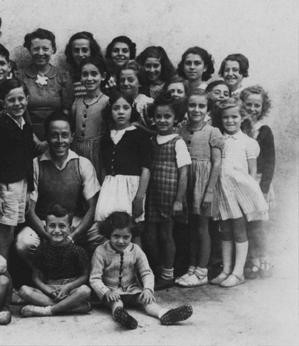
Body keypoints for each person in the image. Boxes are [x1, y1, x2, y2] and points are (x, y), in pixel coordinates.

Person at [15, 110, 104, 258]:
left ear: (72, 137)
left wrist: (73, 236)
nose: (60, 140)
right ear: (47, 137)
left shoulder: (82, 164)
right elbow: (29, 211)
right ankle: (40, 276)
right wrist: (47, 235)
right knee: (23, 243)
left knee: (102, 236)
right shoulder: (35, 165)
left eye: (64, 135)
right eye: (54, 135)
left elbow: (92, 207)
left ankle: (87, 273)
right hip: (44, 224)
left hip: (73, 222)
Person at [91, 212, 193, 329]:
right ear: (109, 234)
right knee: (116, 302)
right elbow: (94, 278)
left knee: (147, 301)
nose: (121, 241)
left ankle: (164, 314)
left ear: (132, 236)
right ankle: (122, 316)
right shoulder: (101, 251)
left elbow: (146, 272)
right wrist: (106, 292)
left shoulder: (136, 250)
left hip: (132, 290)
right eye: (116, 236)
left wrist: (148, 289)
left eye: (126, 237)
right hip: (111, 291)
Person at [210, 99, 268, 287]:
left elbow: (252, 173)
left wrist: (250, 199)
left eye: (234, 116)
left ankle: (238, 272)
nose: (230, 121)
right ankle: (226, 269)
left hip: (240, 193)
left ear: (242, 118)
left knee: (239, 229)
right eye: (226, 117)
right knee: (225, 230)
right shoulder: (219, 139)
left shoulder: (248, 142)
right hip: (222, 190)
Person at [0, 79, 35, 259]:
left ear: (27, 99)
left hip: (21, 186)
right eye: (11, 100)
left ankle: (5, 278)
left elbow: (28, 159)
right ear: (3, 103)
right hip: (3, 189)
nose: (17, 103)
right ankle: (0, 280)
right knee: (2, 236)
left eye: (21, 98)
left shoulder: (25, 126)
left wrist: (30, 190)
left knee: (11, 234)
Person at [175, 90, 223, 287]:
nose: (196, 109)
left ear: (207, 109)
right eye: (192, 105)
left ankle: (202, 271)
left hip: (204, 184)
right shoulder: (181, 129)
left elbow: (217, 163)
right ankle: (192, 268)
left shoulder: (213, 132)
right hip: (187, 181)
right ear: (186, 108)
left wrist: (210, 191)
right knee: (192, 227)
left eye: (201, 106)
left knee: (203, 227)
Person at [144, 96, 191, 289]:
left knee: (166, 234)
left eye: (167, 116)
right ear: (153, 118)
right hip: (153, 194)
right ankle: (155, 270)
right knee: (151, 235)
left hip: (170, 194)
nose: (162, 120)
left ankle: (168, 273)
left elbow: (184, 171)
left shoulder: (177, 142)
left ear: (176, 119)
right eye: (158, 116)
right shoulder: (151, 139)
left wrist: (179, 199)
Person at [95, 90, 152, 245]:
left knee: (132, 229)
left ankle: (136, 265)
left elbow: (146, 169)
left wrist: (139, 197)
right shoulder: (106, 137)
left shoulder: (140, 135)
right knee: (109, 227)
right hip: (110, 186)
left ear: (131, 110)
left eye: (125, 108)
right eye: (116, 108)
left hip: (131, 187)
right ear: (110, 111)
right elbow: (103, 167)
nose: (121, 112)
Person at [18, 205, 92, 317]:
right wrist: (48, 290)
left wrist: (68, 287)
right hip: (50, 290)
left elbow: (84, 276)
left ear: (70, 228)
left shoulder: (77, 250)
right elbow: (36, 277)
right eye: (52, 226)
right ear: (45, 227)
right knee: (24, 291)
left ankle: (48, 310)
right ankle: (72, 307)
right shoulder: (42, 249)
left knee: (85, 291)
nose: (57, 230)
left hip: (70, 289)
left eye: (62, 226)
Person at [241, 86, 275, 278]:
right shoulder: (238, 127)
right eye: (249, 104)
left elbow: (270, 161)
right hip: (241, 183)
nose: (253, 108)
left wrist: (264, 189)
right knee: (245, 224)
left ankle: (264, 259)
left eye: (257, 105)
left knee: (258, 225)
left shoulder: (264, 131)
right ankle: (251, 261)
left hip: (260, 182)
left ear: (263, 108)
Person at [19, 28, 70, 141]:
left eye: (45, 49)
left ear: (53, 50)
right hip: (27, 134)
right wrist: (33, 138)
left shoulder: (62, 77)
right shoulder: (20, 77)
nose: (41, 53)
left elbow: (67, 110)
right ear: (29, 50)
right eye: (36, 49)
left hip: (56, 137)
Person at [71, 56, 110, 179]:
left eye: (94, 74)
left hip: (97, 152)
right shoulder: (77, 102)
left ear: (103, 76)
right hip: (77, 150)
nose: (89, 78)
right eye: (85, 74)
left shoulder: (107, 101)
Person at [64, 31, 104, 104]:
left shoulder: (102, 75)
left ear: (92, 51)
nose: (80, 54)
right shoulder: (68, 77)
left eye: (84, 50)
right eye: (76, 50)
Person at [117, 61, 154, 133]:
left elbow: (159, 133)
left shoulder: (146, 104)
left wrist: (139, 127)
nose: (125, 83)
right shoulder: (117, 103)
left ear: (139, 83)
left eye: (130, 80)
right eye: (122, 80)